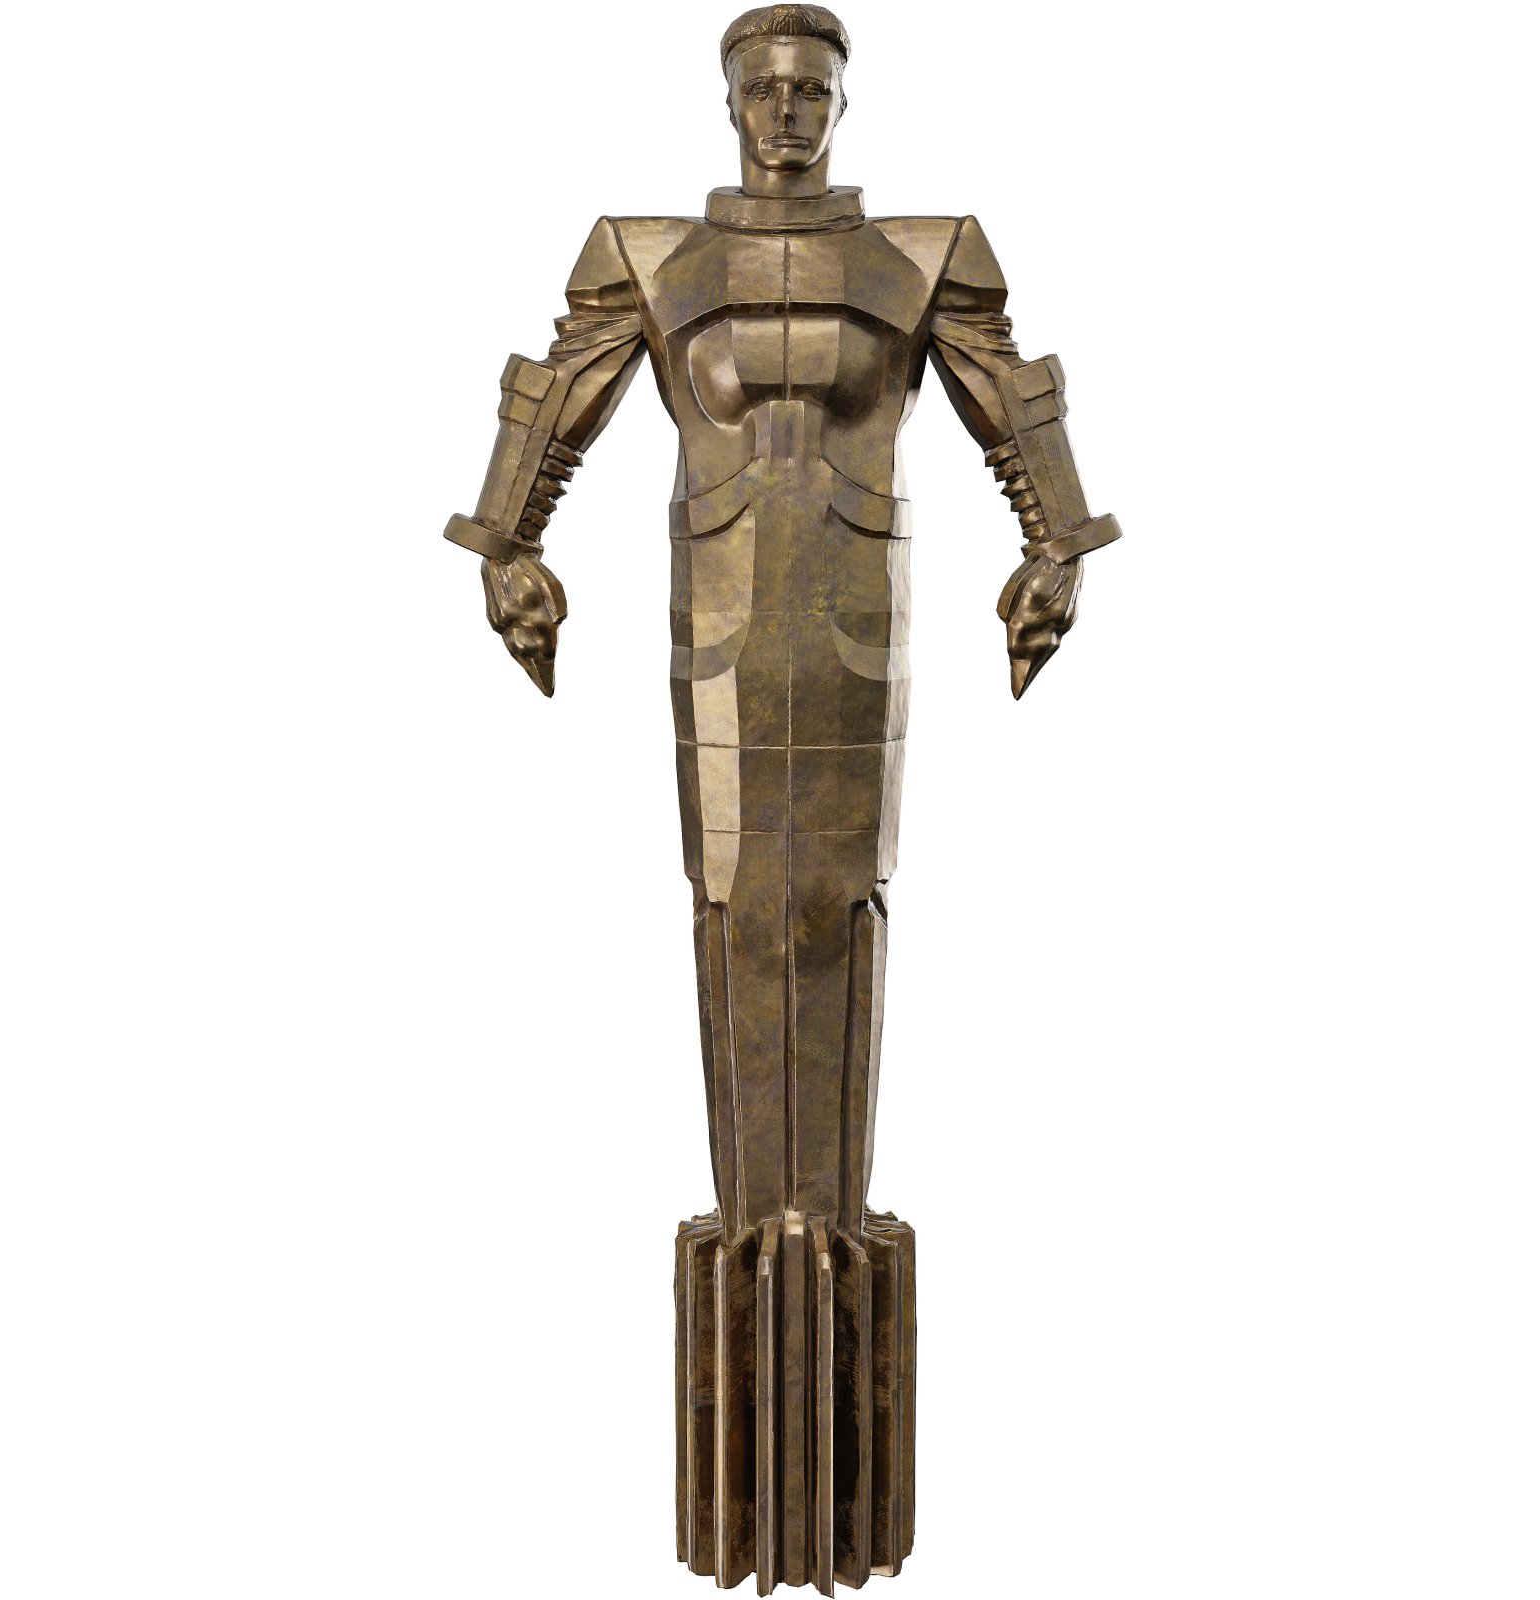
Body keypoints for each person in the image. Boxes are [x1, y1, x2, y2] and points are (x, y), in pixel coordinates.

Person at [442, 7, 1120, 1591]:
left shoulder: (922, 256)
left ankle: (831, 1233)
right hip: (720, 627)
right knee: (733, 907)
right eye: (768, 86)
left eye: (815, 88)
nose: (791, 110)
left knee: (842, 907)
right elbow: (554, 401)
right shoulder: (656, 257)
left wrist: (1056, 550)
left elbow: (1015, 405)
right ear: (732, 99)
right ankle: (758, 1241)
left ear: (842, 104)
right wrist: (509, 547)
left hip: (861, 627)